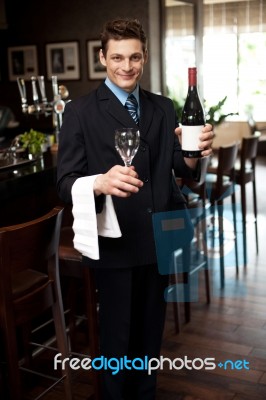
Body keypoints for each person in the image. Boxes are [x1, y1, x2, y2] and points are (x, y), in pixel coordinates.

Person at [57, 18, 213, 400]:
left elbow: (182, 170)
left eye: (135, 57)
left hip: (159, 238)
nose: (126, 66)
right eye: (117, 57)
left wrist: (196, 152)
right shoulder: (80, 112)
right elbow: (64, 182)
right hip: (116, 243)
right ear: (102, 58)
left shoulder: (163, 106)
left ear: (144, 57)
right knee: (116, 339)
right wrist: (99, 182)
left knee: (148, 338)